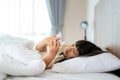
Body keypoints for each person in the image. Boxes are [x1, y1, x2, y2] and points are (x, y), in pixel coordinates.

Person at [35, 35, 104, 69]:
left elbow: (39, 67)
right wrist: (45, 41)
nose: (70, 48)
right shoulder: (62, 45)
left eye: (74, 52)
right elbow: (37, 48)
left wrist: (51, 54)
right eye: (73, 45)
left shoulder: (64, 63)